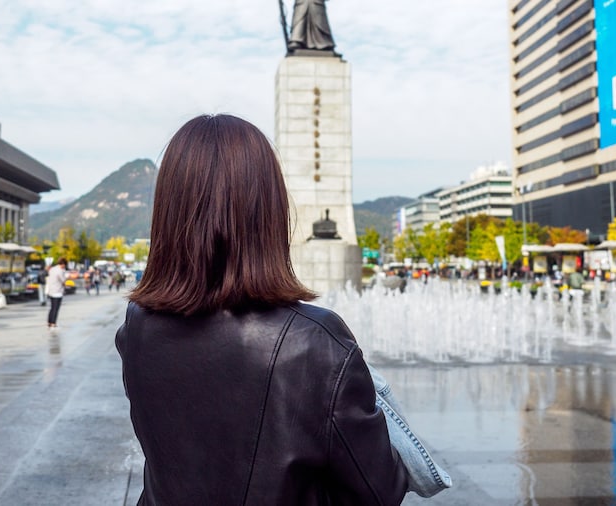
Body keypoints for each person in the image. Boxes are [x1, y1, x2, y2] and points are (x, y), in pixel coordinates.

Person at [116, 114, 407, 505]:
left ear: (169, 209)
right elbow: (380, 490)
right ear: (269, 209)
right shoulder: (314, 340)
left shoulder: (137, 327)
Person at [45, 258, 68, 331]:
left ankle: (49, 322)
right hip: (57, 291)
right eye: (65, 265)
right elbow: (63, 280)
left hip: (51, 291)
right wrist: (66, 277)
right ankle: (53, 323)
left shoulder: (52, 269)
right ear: (63, 264)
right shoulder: (60, 271)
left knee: (52, 308)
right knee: (56, 308)